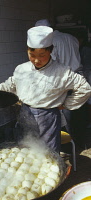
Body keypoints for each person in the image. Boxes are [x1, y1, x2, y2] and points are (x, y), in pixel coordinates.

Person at [0, 26, 91, 154]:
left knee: (47, 154)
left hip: (47, 119)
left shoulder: (62, 71)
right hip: (24, 114)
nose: (36, 60)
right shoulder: (22, 69)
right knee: (26, 151)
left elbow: (85, 88)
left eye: (42, 55)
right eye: (32, 55)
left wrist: (66, 104)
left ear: (51, 51)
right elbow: (10, 84)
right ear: (27, 51)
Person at [35, 19, 88, 149]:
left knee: (66, 114)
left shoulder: (51, 42)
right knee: (79, 112)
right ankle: (81, 143)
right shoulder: (71, 38)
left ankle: (70, 146)